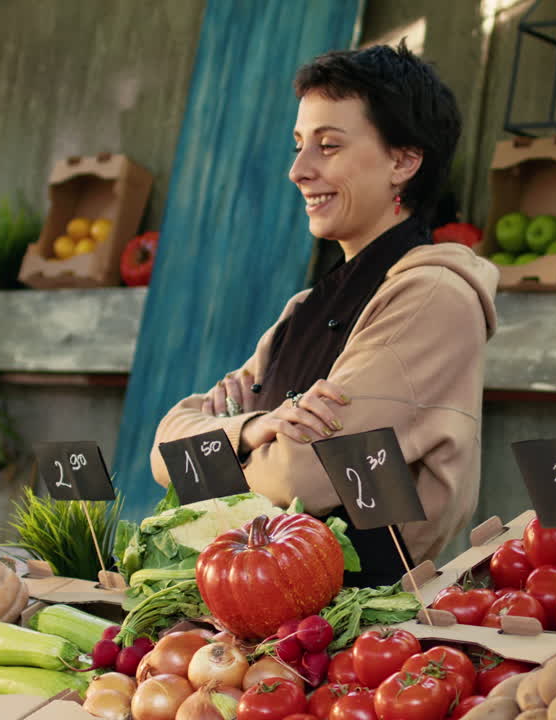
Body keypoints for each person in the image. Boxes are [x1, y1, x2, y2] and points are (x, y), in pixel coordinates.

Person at [149, 41, 499, 586]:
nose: (298, 171)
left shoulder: (433, 298)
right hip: (261, 596)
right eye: (298, 145)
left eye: (328, 146)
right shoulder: (305, 306)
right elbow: (164, 446)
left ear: (403, 161)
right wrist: (256, 428)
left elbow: (302, 474)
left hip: (353, 619)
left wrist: (217, 446)